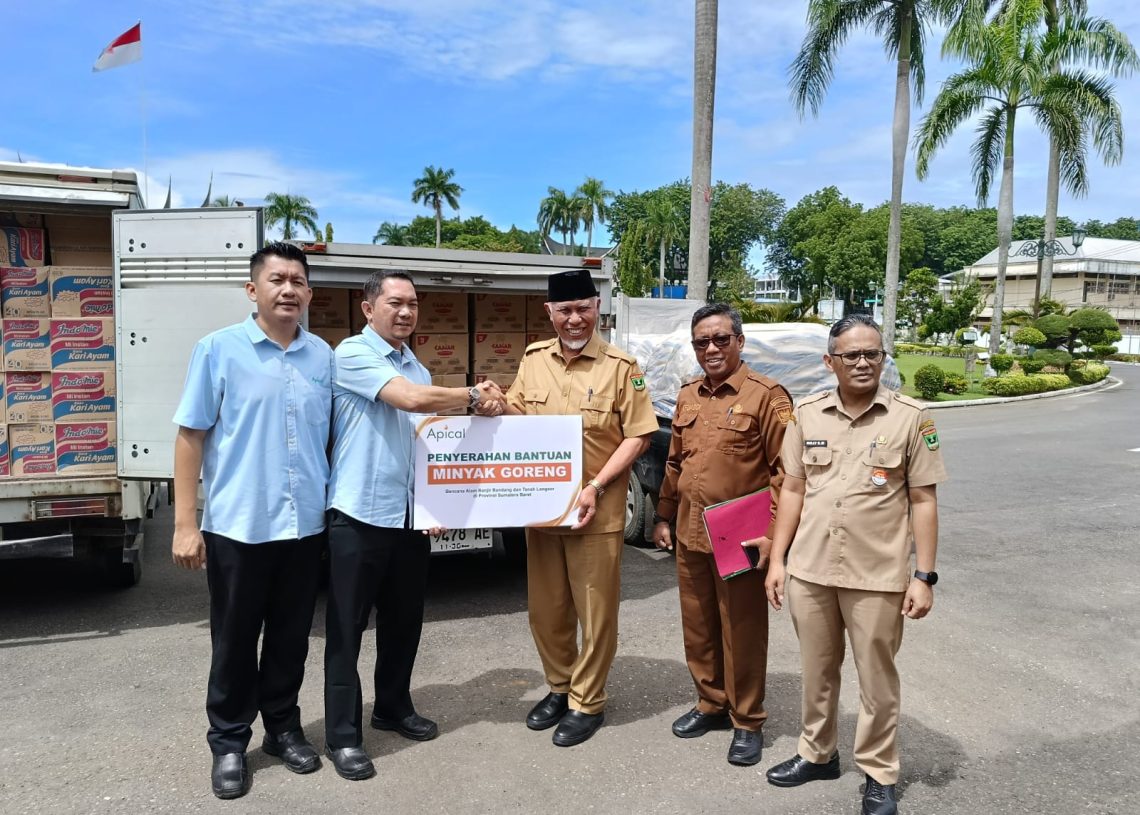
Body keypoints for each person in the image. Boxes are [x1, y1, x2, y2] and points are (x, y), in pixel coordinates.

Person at [323, 270, 505, 781]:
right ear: (368, 308)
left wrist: (436, 501)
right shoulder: (352, 355)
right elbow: (410, 400)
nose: (406, 312)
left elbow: (433, 438)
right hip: (358, 515)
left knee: (405, 622)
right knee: (347, 629)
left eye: (414, 304)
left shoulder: (420, 368)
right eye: (395, 302)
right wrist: (472, 395)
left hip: (409, 520)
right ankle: (343, 736)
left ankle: (393, 707)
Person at [762, 314, 946, 815]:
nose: (864, 363)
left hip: (877, 575)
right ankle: (817, 753)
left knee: (876, 679)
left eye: (873, 354)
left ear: (883, 358)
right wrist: (777, 561)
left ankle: (879, 771)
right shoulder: (808, 413)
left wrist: (924, 576)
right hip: (811, 569)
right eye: (852, 355)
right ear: (830, 362)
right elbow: (793, 490)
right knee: (817, 671)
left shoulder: (911, 417)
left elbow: (924, 501)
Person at [172, 242, 333, 800]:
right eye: (277, 280)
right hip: (238, 527)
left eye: (298, 281)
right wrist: (184, 524)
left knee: (291, 638)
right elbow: (191, 436)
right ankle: (229, 742)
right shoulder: (218, 350)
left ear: (309, 293)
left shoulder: (323, 358)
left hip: (303, 526)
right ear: (253, 290)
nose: (288, 289)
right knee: (235, 640)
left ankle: (283, 730)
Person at [503, 268, 657, 747]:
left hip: (597, 512)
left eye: (583, 309)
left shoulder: (620, 366)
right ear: (549, 313)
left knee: (596, 613)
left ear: (597, 309)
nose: (574, 319)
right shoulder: (533, 361)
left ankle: (587, 701)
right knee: (546, 612)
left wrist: (596, 485)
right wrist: (491, 405)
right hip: (543, 512)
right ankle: (559, 686)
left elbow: (640, 434)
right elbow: (517, 418)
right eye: (564, 311)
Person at [653, 303, 792, 767]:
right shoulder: (689, 394)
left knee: (742, 630)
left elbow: (785, 475)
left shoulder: (766, 397)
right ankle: (711, 702)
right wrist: (663, 516)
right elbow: (675, 462)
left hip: (741, 535)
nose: (710, 349)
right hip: (691, 531)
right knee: (699, 626)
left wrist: (773, 536)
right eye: (701, 342)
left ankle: (747, 719)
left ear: (740, 341)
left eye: (720, 339)